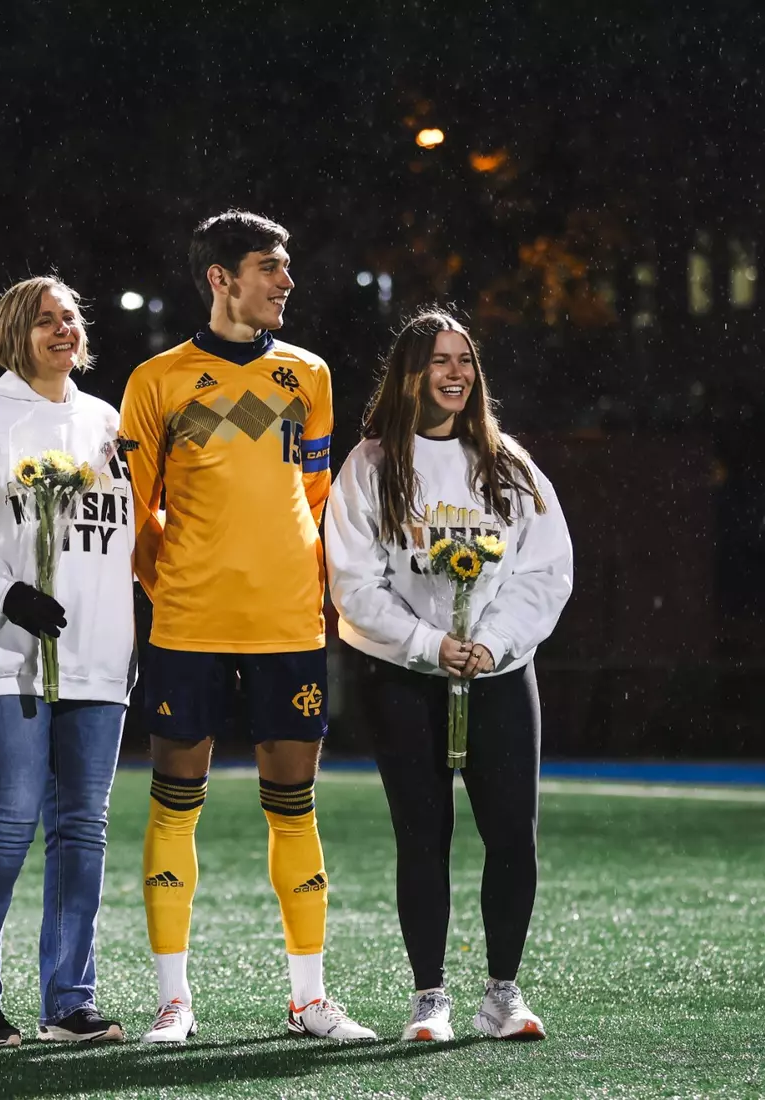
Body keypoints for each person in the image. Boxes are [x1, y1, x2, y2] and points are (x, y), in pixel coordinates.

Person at [119, 211, 376, 1044]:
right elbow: (137, 514)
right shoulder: (157, 380)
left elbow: (318, 497)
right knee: (174, 805)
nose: (287, 282)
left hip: (289, 625)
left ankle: (309, 999)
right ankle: (174, 1001)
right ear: (221, 278)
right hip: (188, 627)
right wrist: (183, 588)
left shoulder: (309, 375)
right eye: (271, 267)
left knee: (294, 807)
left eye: (288, 267)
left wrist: (305, 584)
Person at [323, 309, 573, 1043]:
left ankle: (503, 993)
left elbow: (546, 571)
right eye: (439, 361)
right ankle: (429, 997)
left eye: (465, 360)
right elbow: (353, 582)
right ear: (410, 375)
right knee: (423, 836)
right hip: (404, 677)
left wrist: (490, 644)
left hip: (498, 674)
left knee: (512, 836)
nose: (456, 373)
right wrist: (432, 644)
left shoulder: (508, 463)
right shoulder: (370, 464)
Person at [0, 276, 134, 1047]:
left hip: (96, 656)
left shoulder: (107, 422)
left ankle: (68, 1001)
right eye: (44, 320)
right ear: (14, 333)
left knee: (83, 828)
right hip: (0, 653)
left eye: (70, 317)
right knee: (8, 818)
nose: (61, 329)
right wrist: (4, 593)